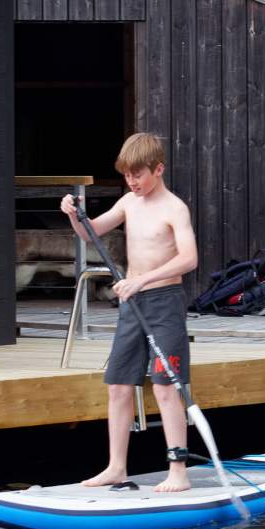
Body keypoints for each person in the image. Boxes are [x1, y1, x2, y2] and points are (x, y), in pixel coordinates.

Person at [62, 133, 199, 493]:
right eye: (127, 175)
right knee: (119, 386)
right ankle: (116, 467)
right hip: (132, 305)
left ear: (159, 169)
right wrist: (75, 216)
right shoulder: (129, 202)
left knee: (166, 387)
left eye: (139, 175)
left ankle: (178, 471)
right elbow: (90, 234)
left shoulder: (174, 208)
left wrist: (141, 281)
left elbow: (188, 258)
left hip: (163, 302)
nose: (133, 182)